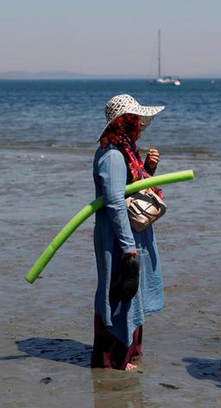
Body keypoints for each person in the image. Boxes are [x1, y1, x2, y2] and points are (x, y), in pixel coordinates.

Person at [92, 94, 165, 371]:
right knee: (118, 293)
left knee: (132, 292)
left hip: (131, 233)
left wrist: (148, 169)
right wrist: (126, 245)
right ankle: (113, 359)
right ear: (125, 122)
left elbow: (132, 189)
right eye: (137, 120)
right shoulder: (112, 155)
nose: (141, 125)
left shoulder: (127, 150)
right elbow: (114, 201)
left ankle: (129, 353)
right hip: (117, 236)